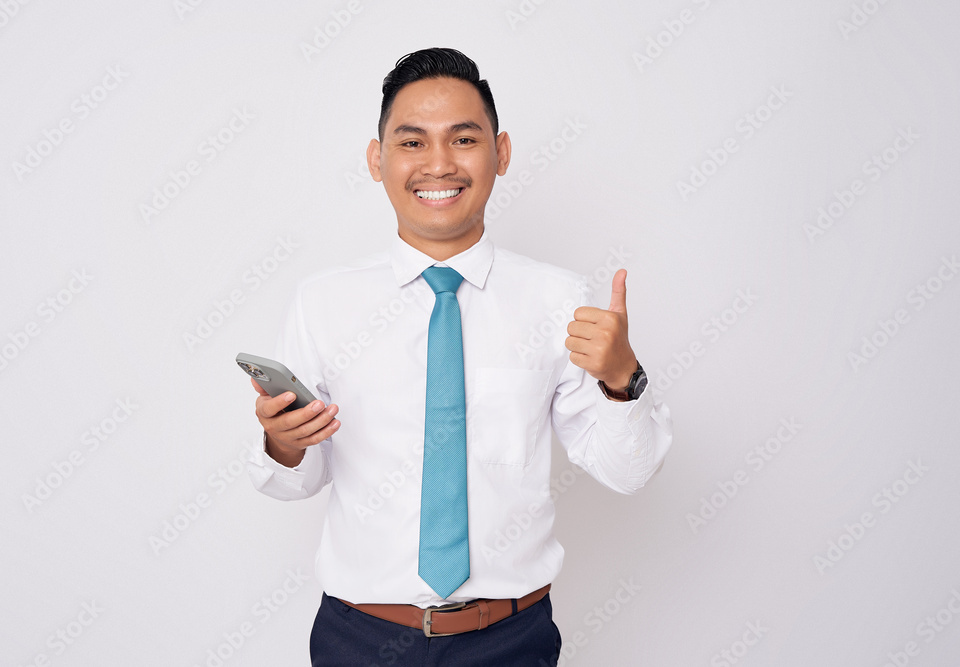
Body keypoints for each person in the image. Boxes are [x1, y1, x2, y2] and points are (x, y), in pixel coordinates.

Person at [246, 47, 672, 666]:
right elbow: (296, 482)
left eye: (463, 139)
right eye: (412, 142)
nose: (438, 164)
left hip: (511, 641)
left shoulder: (559, 300)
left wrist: (622, 378)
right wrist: (284, 443)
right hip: (359, 641)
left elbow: (627, 472)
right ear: (377, 159)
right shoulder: (323, 303)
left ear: (500, 152)